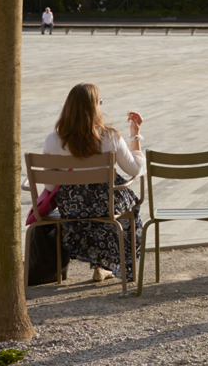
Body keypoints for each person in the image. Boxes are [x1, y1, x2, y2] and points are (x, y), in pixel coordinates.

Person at [41, 83, 145, 283]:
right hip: (108, 207)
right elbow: (135, 170)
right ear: (94, 107)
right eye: (99, 102)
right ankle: (106, 266)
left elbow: (50, 187)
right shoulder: (110, 137)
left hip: (73, 211)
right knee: (127, 210)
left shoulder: (53, 140)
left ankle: (101, 265)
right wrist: (134, 135)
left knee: (91, 210)